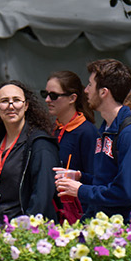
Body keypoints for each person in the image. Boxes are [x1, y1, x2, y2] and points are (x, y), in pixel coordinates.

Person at [60, 58, 131, 218]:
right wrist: (80, 177)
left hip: (122, 233)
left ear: (104, 92)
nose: (86, 90)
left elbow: (125, 192)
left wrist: (80, 190)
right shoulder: (106, 130)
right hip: (100, 224)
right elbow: (106, 181)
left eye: (90, 85)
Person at [0, 80, 60, 221]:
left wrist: (25, 231)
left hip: (24, 233)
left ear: (26, 106)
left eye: (16, 100)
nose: (11, 106)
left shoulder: (40, 144)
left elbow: (42, 197)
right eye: (4, 101)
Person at [43, 69, 98, 223]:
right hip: (53, 210)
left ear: (72, 98)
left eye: (53, 95)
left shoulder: (87, 132)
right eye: (45, 94)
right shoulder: (52, 128)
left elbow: (96, 178)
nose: (47, 100)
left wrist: (77, 176)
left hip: (77, 214)